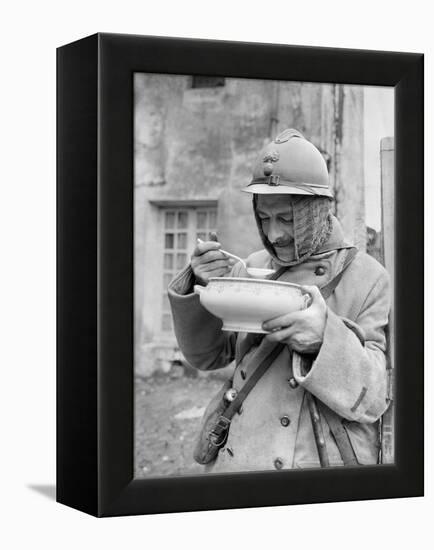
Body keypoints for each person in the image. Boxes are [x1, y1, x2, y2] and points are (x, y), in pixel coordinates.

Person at [168, 128, 391, 473]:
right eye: (264, 218)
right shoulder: (254, 265)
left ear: (317, 211)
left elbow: (375, 397)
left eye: (287, 219)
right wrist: (199, 284)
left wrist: (324, 339)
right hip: (238, 462)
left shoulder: (368, 277)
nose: (274, 234)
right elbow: (207, 357)